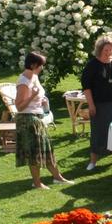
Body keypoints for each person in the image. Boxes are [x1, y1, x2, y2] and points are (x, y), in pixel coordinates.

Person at [15, 52, 73, 189]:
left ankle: (58, 177)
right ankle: (37, 183)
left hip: (37, 117)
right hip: (27, 120)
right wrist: (33, 96)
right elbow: (19, 106)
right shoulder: (23, 81)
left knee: (47, 149)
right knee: (34, 152)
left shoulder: (34, 76)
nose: (42, 68)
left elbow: (36, 96)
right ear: (34, 65)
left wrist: (41, 100)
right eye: (41, 65)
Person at [80, 34, 112, 171]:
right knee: (98, 132)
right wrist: (91, 105)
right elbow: (86, 87)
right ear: (100, 49)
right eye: (106, 50)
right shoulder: (92, 65)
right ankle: (93, 161)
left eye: (111, 50)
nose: (108, 53)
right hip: (99, 104)